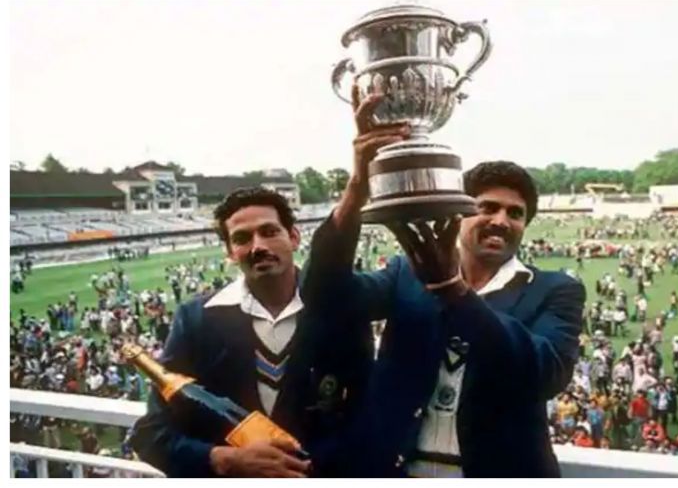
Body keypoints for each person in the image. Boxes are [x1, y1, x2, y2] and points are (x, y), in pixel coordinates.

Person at [301, 87, 586, 477]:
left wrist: (453, 289)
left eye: (515, 213)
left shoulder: (554, 290)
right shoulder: (406, 274)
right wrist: (357, 187)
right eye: (486, 206)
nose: (501, 220)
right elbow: (325, 296)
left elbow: (544, 374)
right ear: (460, 209)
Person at [130, 188, 373, 477]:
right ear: (230, 253)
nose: (258, 246)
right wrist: (222, 459)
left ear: (294, 237)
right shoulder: (196, 320)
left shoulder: (340, 311)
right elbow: (149, 433)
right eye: (242, 238)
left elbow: (365, 413)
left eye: (269, 231)